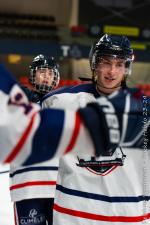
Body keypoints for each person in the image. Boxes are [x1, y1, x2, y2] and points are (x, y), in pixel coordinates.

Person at [41, 34, 150, 225]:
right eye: (106, 63)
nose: (112, 71)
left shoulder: (144, 109)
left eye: (119, 64)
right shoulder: (58, 102)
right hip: (73, 217)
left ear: (127, 68)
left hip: (127, 218)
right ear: (94, 63)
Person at [9, 54, 60, 225]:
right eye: (42, 71)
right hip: (27, 186)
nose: (46, 76)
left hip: (58, 188)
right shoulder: (19, 99)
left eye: (50, 73)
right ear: (33, 74)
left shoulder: (65, 102)